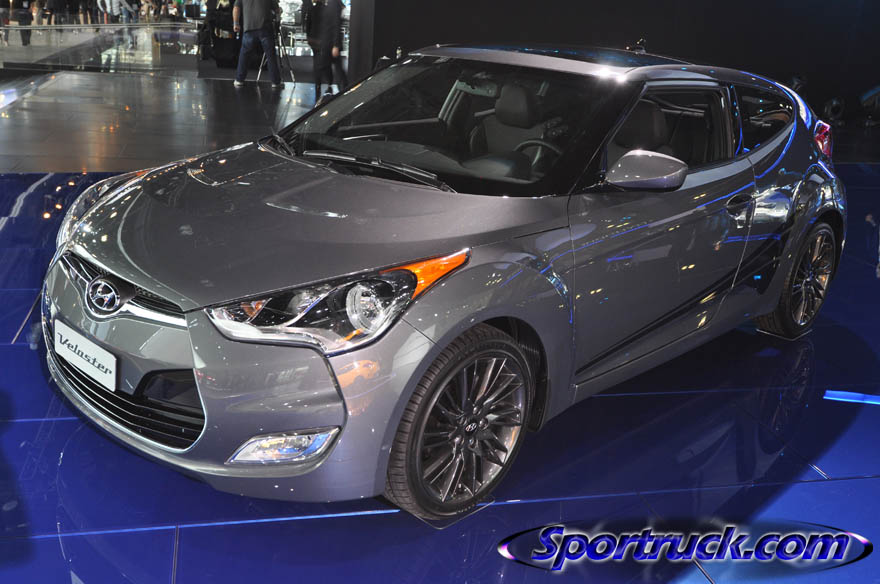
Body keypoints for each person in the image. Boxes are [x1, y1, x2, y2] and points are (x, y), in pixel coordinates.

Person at [232, 0, 281, 88]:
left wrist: (236, 23)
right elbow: (277, 9)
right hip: (265, 28)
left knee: (244, 54)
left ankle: (239, 79)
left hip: (249, 28)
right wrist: (278, 20)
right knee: (270, 55)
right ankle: (275, 82)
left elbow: (236, 8)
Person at [308, 0, 346, 103]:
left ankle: (341, 89)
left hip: (329, 44)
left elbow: (336, 25)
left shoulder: (333, 4)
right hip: (327, 43)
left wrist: (336, 45)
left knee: (327, 66)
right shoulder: (330, 4)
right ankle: (336, 87)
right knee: (330, 67)